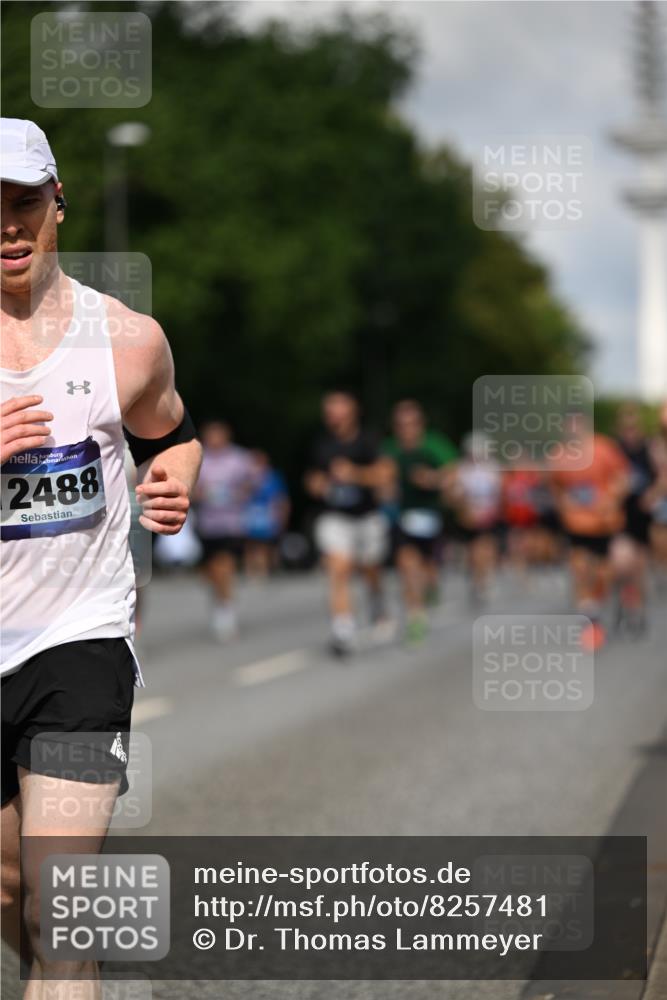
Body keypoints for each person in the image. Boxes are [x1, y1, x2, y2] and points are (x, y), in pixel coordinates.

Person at [0, 118, 202, 993]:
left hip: (79, 639)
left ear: (59, 206)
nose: (7, 226)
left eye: (23, 204)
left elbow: (175, 431)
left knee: (59, 902)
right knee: (12, 889)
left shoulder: (127, 340)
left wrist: (172, 481)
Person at [305, 390, 394, 656]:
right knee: (339, 566)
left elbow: (386, 475)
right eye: (329, 410)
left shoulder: (369, 440)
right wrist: (318, 485)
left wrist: (354, 474)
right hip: (335, 517)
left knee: (369, 568)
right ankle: (343, 629)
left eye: (338, 409)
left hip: (366, 516)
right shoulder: (321, 445)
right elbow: (311, 480)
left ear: (352, 412)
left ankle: (377, 601)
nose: (332, 416)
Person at [550, 412, 630, 649]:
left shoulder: (604, 448)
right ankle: (589, 620)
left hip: (604, 522)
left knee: (603, 573)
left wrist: (612, 500)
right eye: (569, 424)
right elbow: (555, 486)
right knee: (580, 568)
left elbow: (622, 478)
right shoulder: (558, 454)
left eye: (578, 424)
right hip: (576, 523)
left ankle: (600, 604)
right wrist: (564, 503)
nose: (573, 429)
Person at [383, 400, 457, 643]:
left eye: (411, 424)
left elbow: (454, 472)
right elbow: (382, 474)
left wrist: (432, 479)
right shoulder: (391, 449)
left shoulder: (433, 445)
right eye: (401, 425)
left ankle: (431, 588)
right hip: (403, 517)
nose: (407, 429)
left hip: (431, 515)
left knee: (428, 571)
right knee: (407, 567)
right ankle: (416, 618)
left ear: (420, 425)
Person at [194, 420, 256, 640]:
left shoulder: (239, 458)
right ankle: (220, 602)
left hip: (232, 523)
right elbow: (191, 488)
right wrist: (200, 494)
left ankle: (226, 612)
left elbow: (252, 483)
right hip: (207, 523)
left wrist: (240, 493)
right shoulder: (199, 458)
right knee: (211, 572)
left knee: (224, 567)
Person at [611, 402, 655, 633]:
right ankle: (621, 602)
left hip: (643, 517)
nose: (629, 430)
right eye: (625, 426)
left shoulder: (650, 448)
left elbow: (663, 475)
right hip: (620, 517)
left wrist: (652, 494)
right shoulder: (614, 450)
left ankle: (638, 612)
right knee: (621, 563)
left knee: (639, 569)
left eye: (633, 425)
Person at [447, 432, 503, 606]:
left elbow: (499, 495)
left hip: (487, 517)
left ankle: (485, 578)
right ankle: (477, 578)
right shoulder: (461, 470)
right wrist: (463, 507)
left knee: (484, 548)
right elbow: (454, 495)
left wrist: (491, 511)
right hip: (468, 518)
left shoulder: (493, 469)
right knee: (473, 552)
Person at [243, 449, 290, 579]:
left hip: (267, 514)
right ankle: (250, 570)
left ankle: (263, 570)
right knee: (250, 543)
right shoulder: (246, 476)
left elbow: (280, 497)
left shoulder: (273, 476)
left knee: (264, 543)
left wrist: (282, 515)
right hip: (249, 512)